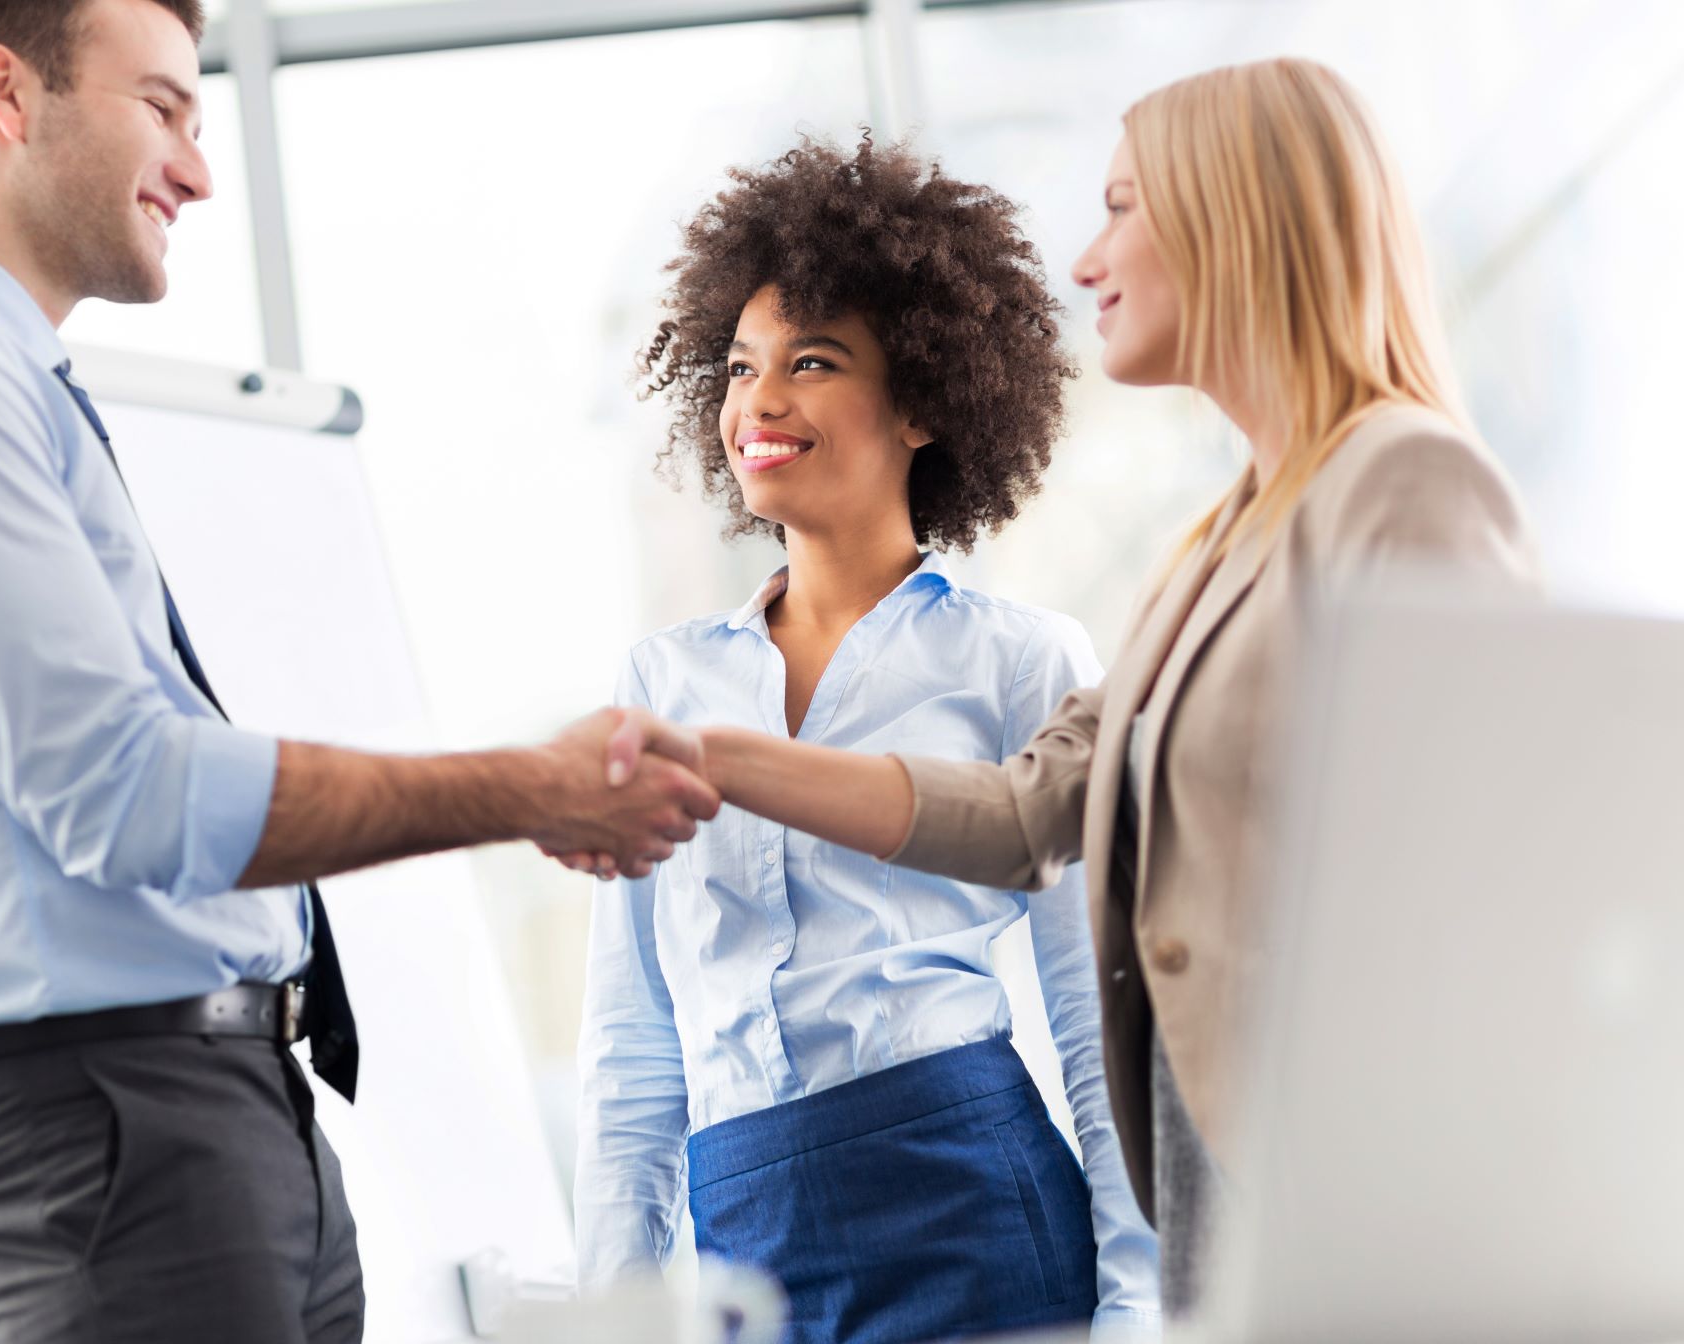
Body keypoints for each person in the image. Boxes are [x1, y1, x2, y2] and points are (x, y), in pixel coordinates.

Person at [0, 2, 714, 1340]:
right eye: (162, 108)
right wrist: (528, 788)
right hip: (104, 1124)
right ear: (6, 95)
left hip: (196, 1110)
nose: (197, 169)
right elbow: (126, 795)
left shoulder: (7, 381)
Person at [567, 58, 1543, 1316]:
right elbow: (1025, 817)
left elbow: (1496, 888)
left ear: (1235, 222)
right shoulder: (1218, 545)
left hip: (1317, 1197)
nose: (1086, 260)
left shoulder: (1400, 482)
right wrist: (710, 758)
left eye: (1124, 207)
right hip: (1173, 1199)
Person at [571, 136, 1159, 1344]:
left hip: (973, 1218)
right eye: (740, 368)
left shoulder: (1019, 659)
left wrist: (1136, 1309)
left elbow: (1101, 1022)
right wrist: (613, 1312)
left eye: (813, 362)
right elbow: (636, 1060)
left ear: (927, 400)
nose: (759, 404)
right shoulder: (663, 681)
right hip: (747, 1254)